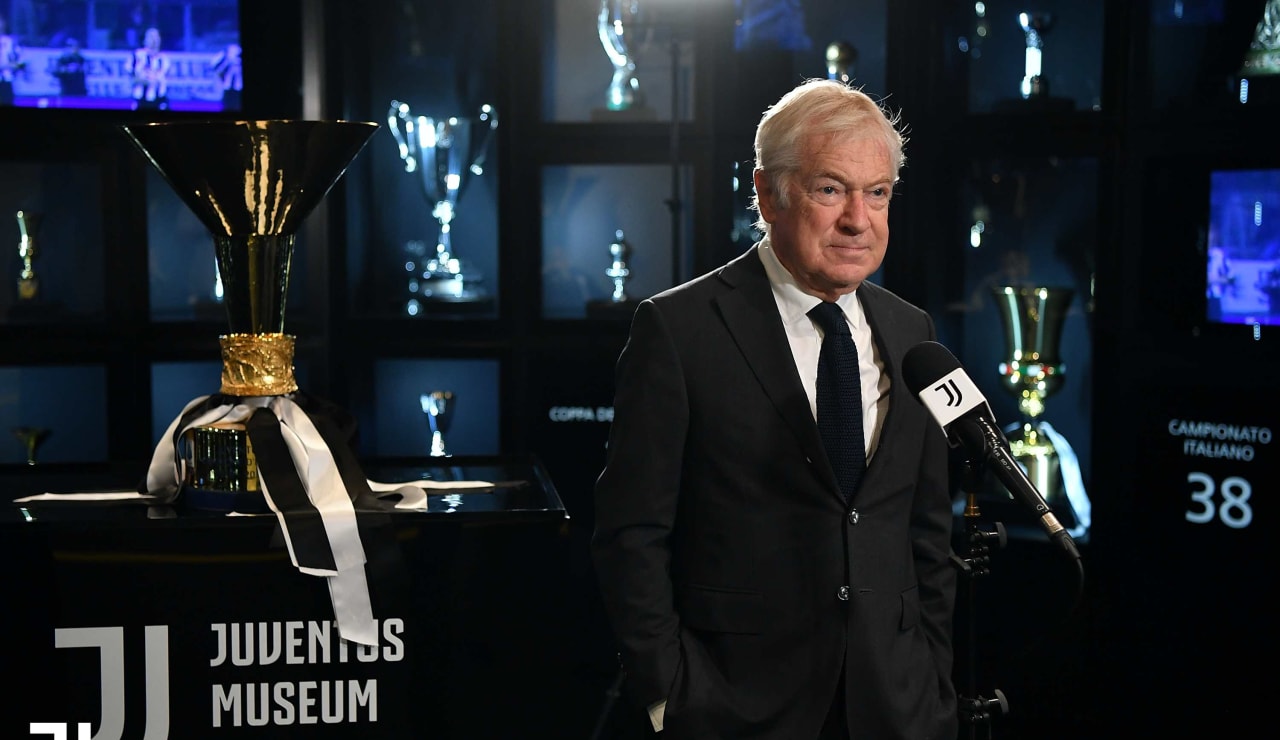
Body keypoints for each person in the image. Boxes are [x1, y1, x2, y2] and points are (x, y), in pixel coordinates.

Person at [592, 78, 958, 739]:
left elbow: (927, 533)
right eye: (831, 189)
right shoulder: (678, 330)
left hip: (894, 706)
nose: (858, 219)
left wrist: (932, 684)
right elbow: (632, 533)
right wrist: (668, 694)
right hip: (734, 708)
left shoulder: (913, 334)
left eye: (877, 193)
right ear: (767, 194)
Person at [128, 26, 169, 110]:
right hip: (141, 102)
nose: (154, 39)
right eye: (151, 36)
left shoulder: (164, 59)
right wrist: (146, 81)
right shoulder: (136, 56)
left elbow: (164, 80)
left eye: (156, 36)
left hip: (159, 102)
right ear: (144, 40)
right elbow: (131, 78)